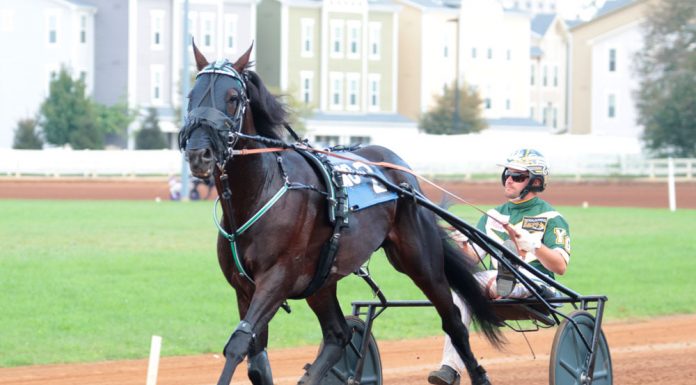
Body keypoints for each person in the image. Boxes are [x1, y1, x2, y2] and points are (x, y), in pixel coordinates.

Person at [428, 148, 571, 385]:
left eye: (517, 176)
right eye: (507, 174)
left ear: (535, 181)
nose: (509, 180)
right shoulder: (493, 216)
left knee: (508, 276)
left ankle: (508, 278)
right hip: (496, 278)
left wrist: (534, 246)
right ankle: (450, 368)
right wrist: (459, 244)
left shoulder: (552, 217)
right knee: (460, 286)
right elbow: (472, 260)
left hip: (538, 283)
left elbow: (560, 267)